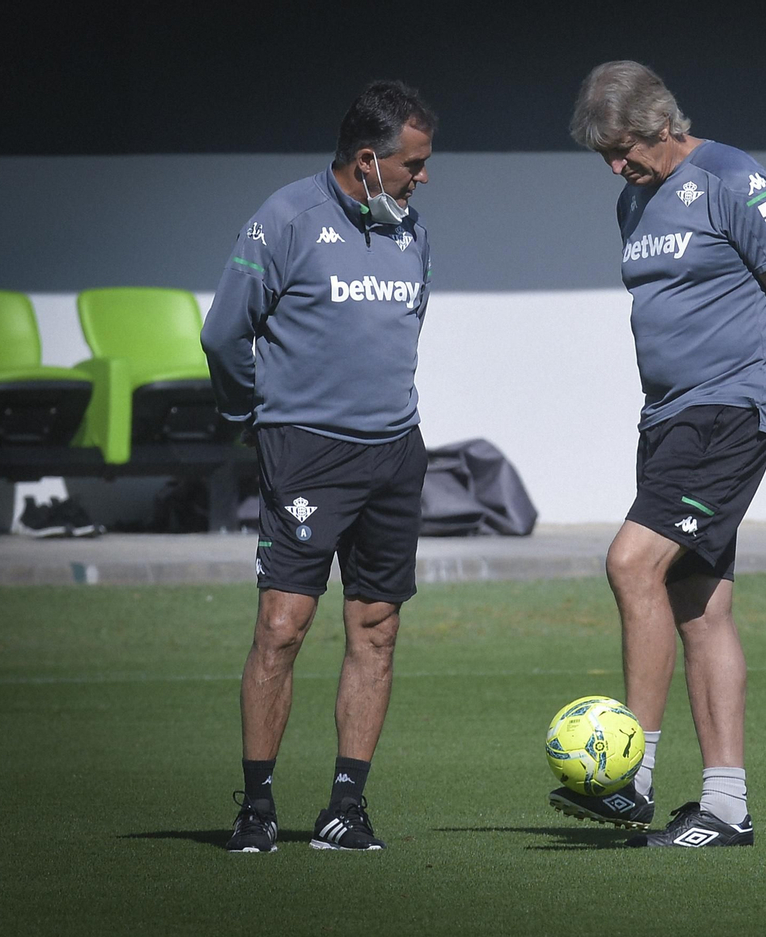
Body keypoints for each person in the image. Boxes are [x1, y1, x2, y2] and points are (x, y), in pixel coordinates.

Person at [549, 61, 766, 847]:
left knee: (632, 563)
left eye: (624, 147)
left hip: (728, 411)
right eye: (604, 154)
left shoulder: (733, 178)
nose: (615, 165)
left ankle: (628, 779)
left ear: (663, 123)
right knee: (700, 606)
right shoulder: (632, 198)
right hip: (668, 419)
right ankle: (725, 807)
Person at [201, 80, 436, 853]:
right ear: (367, 161)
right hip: (305, 450)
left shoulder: (411, 230)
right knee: (282, 626)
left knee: (377, 628)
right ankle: (258, 806)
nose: (422, 178)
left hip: (395, 452)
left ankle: (345, 807)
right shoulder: (286, 218)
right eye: (412, 165)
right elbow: (224, 334)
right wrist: (249, 417)